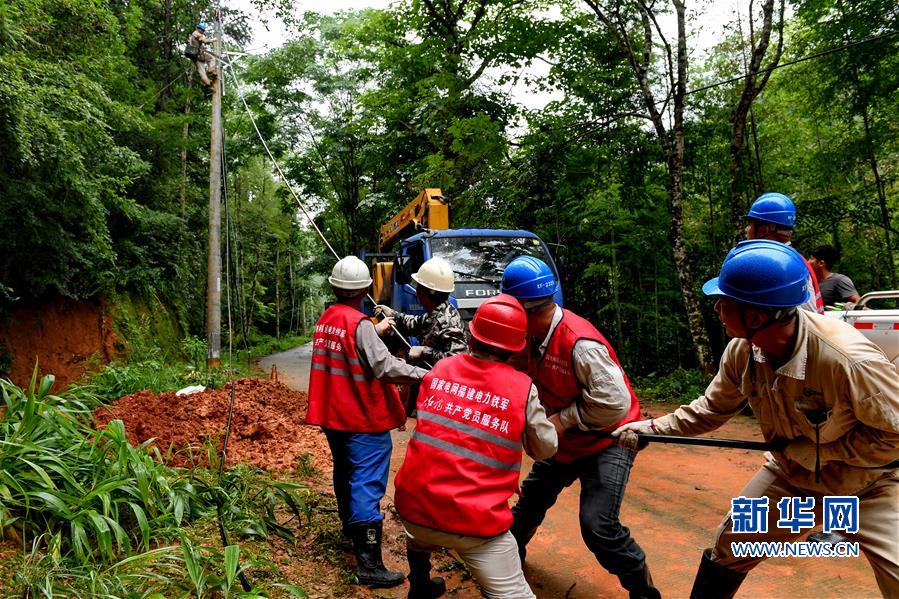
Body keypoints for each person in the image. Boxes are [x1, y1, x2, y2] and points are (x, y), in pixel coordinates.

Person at [614, 240, 899, 598]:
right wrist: (651, 428)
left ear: (755, 316)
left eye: (725, 301)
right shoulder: (743, 351)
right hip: (790, 478)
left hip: (870, 486)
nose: (717, 308)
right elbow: (712, 408)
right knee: (728, 549)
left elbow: (894, 435)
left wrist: (817, 453)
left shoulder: (847, 361)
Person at [501, 256, 662, 599]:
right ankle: (507, 564)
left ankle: (645, 593)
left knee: (598, 527)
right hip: (565, 438)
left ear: (522, 308)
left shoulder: (579, 344)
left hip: (609, 438)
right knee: (532, 499)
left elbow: (614, 404)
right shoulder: (529, 337)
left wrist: (563, 420)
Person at [394, 294, 558, 599]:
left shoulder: (439, 372)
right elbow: (545, 449)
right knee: (514, 594)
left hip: (413, 508)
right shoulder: (522, 389)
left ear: (472, 335)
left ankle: (420, 584)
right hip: (475, 523)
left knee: (417, 533)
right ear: (517, 346)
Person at [306, 256, 428, 588]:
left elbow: (350, 348)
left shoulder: (327, 319)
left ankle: (352, 529)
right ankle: (370, 564)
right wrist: (424, 374)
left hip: (334, 415)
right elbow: (384, 368)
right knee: (367, 481)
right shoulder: (359, 324)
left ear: (334, 286)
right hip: (360, 416)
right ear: (365, 289)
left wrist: (374, 332)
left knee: (345, 470)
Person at [377, 257, 467, 366]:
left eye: (418, 287)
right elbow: (415, 324)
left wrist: (424, 352)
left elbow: (457, 361)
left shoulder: (448, 323)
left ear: (421, 292)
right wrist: (392, 314)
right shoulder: (437, 312)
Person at [744, 192, 824, 314]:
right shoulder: (793, 260)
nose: (746, 230)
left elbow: (806, 317)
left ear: (763, 230)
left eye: (749, 225)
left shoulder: (783, 265)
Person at [188, 22, 217, 89]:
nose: (203, 32)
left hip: (195, 56)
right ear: (198, 28)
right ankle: (211, 70)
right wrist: (214, 39)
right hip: (198, 53)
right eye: (202, 30)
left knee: (202, 71)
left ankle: (208, 84)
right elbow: (205, 41)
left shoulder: (193, 35)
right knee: (212, 58)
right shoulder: (196, 34)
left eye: (203, 30)